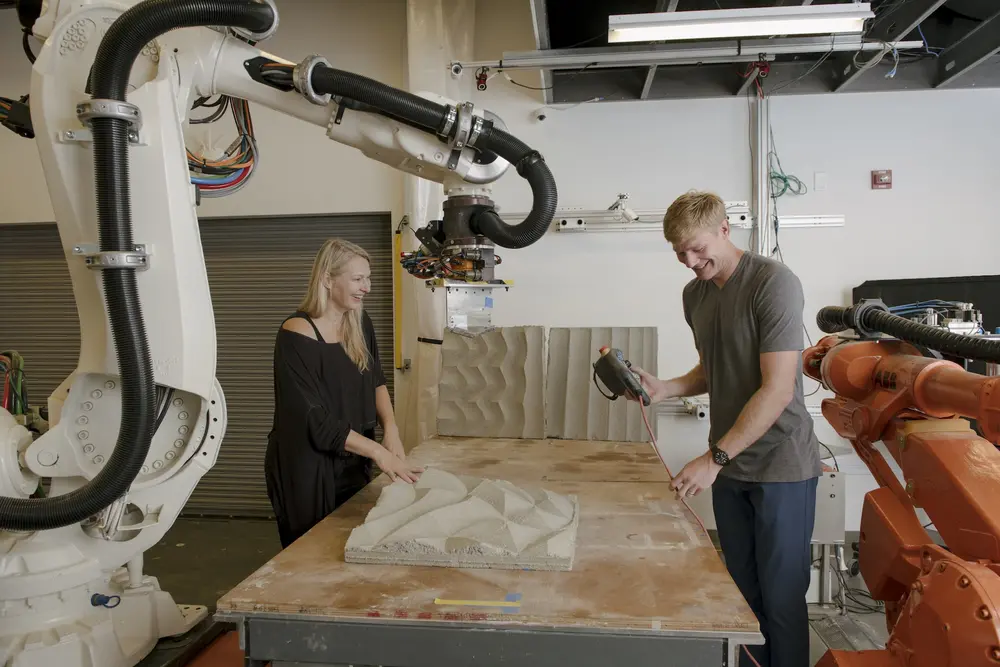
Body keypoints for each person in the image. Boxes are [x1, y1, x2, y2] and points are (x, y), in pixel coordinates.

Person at [633, 191, 822, 667]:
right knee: (741, 598)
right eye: (679, 253)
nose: (690, 262)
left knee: (780, 601)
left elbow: (777, 389)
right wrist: (666, 388)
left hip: (781, 466)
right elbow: (712, 369)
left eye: (697, 248)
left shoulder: (772, 284)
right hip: (731, 468)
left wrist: (714, 458)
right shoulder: (694, 295)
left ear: (724, 229)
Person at [265, 238, 423, 549]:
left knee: (350, 547)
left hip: (354, 458)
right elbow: (314, 419)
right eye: (357, 279)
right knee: (311, 554)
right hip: (309, 468)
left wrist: (390, 429)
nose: (367, 288)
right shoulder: (297, 332)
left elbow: (376, 380)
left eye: (368, 278)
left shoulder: (360, 323)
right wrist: (379, 453)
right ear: (327, 279)